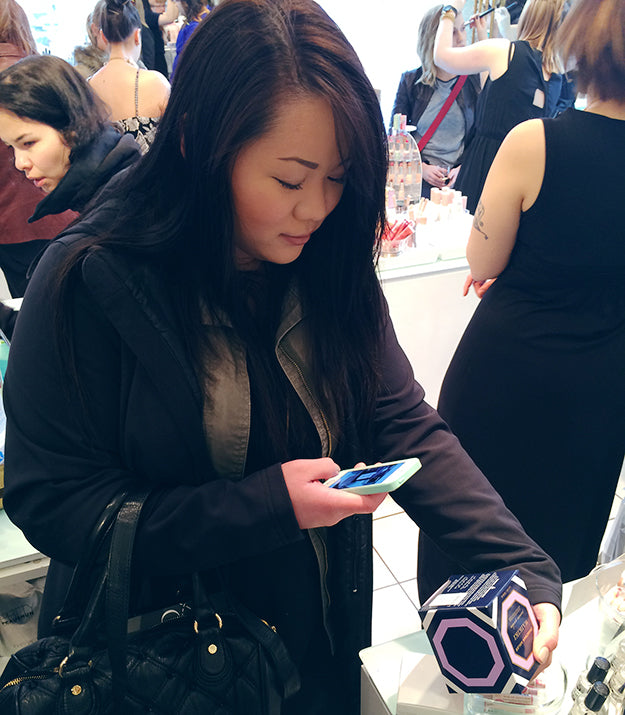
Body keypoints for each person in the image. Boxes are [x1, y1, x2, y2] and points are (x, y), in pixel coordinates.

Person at [2, 2, 560, 713]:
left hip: (316, 643)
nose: (317, 208)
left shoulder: (325, 259)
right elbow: (54, 502)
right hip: (172, 665)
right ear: (198, 146)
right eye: (291, 181)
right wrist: (262, 507)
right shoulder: (88, 278)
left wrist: (519, 563)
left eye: (338, 177)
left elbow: (398, 417)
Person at [419, 0, 625, 599]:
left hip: (506, 376)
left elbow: (482, 262)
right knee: (556, 570)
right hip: (599, 393)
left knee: (468, 556)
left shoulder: (535, 143)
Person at [433, 0, 565, 213]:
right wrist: (483, 34)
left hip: (487, 166)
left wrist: (450, 10)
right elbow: (496, 88)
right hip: (527, 175)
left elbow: (442, 57)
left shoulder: (505, 51)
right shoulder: (555, 71)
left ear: (529, 15)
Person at [0, 55, 140, 234]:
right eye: (11, 146)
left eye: (28, 143)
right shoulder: (118, 173)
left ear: (73, 126)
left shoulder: (115, 215)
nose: (20, 163)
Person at [0, 0, 76, 321]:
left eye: (28, 143)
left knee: (35, 317)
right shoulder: (45, 74)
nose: (21, 162)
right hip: (68, 216)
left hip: (12, 228)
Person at [390, 3, 484, 198]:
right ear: (435, 38)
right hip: (416, 181)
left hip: (457, 184)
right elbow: (395, 137)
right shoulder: (410, 81)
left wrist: (464, 168)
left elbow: (481, 136)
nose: (461, 39)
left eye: (463, 29)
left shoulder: (474, 81)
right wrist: (420, 167)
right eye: (453, 32)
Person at [88, 0, 170, 154]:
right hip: (153, 170)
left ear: (103, 37)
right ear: (137, 35)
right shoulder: (156, 82)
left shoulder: (86, 88)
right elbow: (178, 137)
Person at [170, 0, 211, 77]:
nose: (175, 4)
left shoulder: (194, 27)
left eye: (177, 1)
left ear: (185, 3)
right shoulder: (195, 21)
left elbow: (187, 59)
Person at [72, 0, 108, 79]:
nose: (120, 37)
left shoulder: (133, 67)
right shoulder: (80, 74)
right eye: (111, 29)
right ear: (95, 30)